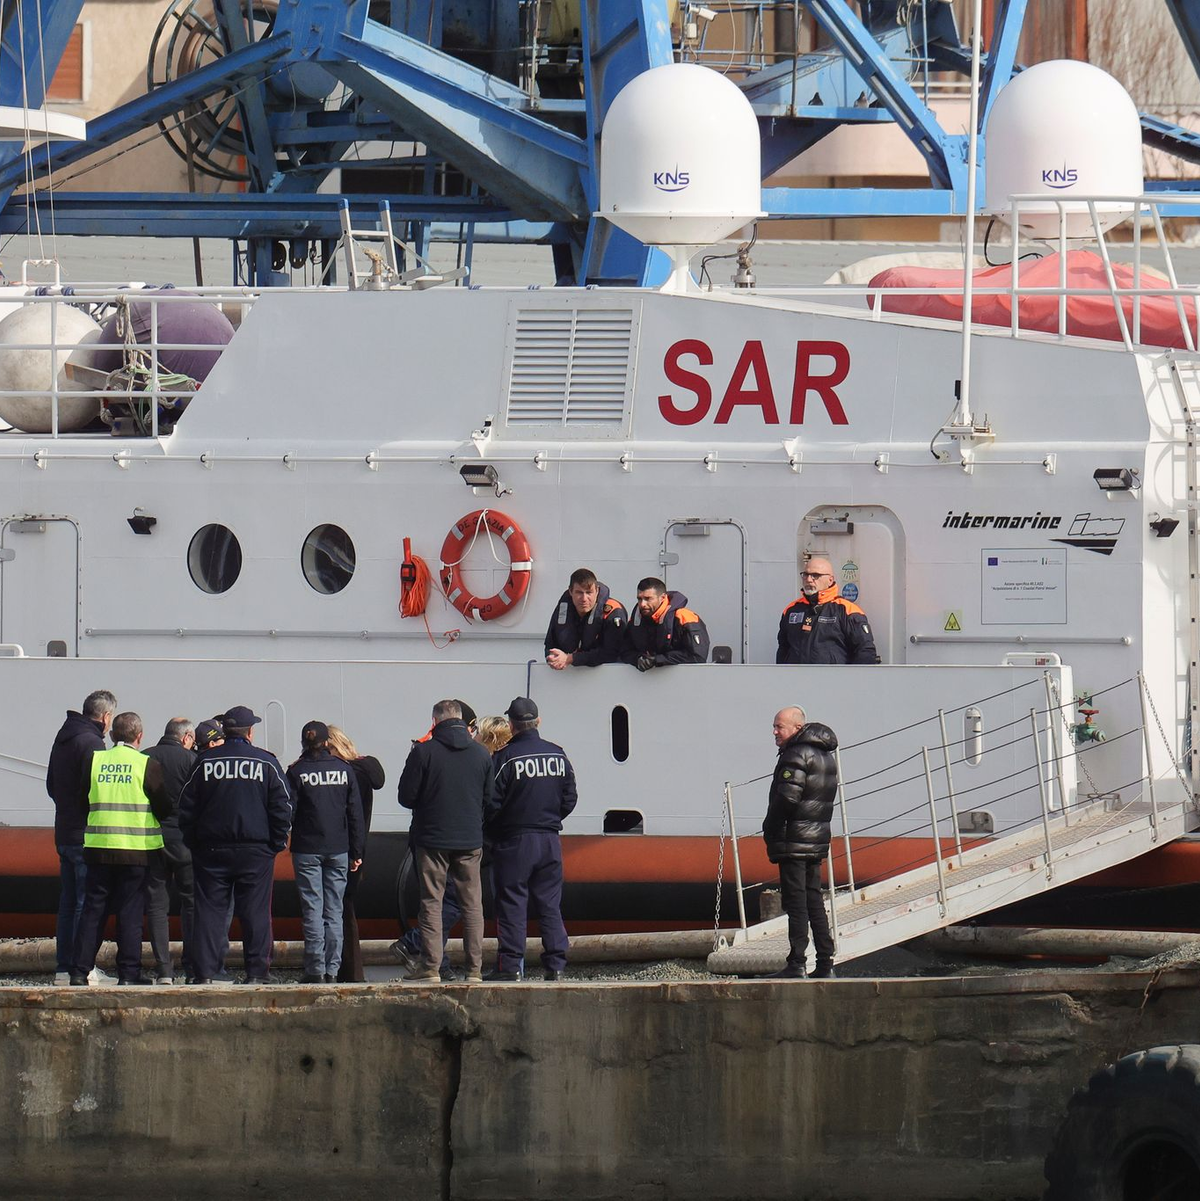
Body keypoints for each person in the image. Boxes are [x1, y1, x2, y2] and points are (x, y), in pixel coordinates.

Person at [178, 705, 292, 984]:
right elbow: (283, 805)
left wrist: (195, 842)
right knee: (256, 913)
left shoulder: (205, 762)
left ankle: (203, 973)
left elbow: (186, 807)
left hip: (211, 850)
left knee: (209, 913)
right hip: (255, 851)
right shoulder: (265, 762)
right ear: (250, 732)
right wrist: (275, 843)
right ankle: (257, 973)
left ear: (225, 731)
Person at [70, 711, 171, 986]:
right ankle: (128, 974)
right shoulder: (146, 764)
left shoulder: (95, 761)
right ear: (139, 736)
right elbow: (164, 807)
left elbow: (82, 801)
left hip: (98, 849)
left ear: (113, 735)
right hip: (135, 851)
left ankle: (79, 971)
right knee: (129, 912)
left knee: (93, 911)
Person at [397, 699, 493, 984]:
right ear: (463, 721)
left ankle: (431, 969)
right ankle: (474, 971)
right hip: (470, 840)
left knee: (431, 902)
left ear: (435, 721)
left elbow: (406, 797)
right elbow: (489, 799)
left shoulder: (423, 752)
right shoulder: (481, 754)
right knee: (472, 904)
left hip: (432, 839)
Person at [485, 698, 577, 982]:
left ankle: (510, 966)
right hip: (550, 839)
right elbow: (570, 798)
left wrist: (498, 829)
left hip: (515, 841)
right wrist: (549, 818)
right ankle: (557, 965)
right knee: (550, 903)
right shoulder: (558, 755)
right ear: (538, 721)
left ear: (511, 726)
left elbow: (490, 802)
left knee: (512, 901)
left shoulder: (505, 757)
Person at [47, 689, 117, 986]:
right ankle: (82, 968)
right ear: (105, 716)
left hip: (63, 830)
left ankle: (65, 967)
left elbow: (51, 785)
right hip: (84, 833)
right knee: (84, 903)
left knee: (68, 902)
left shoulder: (63, 739)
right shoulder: (92, 743)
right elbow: (96, 788)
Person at [762, 706, 838, 980]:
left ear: (796, 728)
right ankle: (826, 963)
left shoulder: (796, 754)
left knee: (796, 903)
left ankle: (796, 963)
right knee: (814, 900)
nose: (774, 732)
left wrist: (769, 826)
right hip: (815, 838)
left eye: (779, 726)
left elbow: (787, 798)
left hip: (794, 839)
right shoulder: (826, 756)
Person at [286, 721, 364, 983]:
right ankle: (332, 970)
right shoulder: (344, 770)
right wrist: (357, 851)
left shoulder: (297, 772)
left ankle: (315, 970)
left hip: (307, 849)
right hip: (338, 848)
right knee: (334, 911)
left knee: (313, 910)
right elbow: (354, 813)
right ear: (327, 742)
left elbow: (289, 813)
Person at [327, 726, 385, 983]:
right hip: (358, 849)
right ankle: (350, 970)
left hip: (341, 848)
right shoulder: (363, 771)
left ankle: (343, 970)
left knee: (338, 910)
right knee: (345, 908)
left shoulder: (342, 774)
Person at [143, 717, 197, 984]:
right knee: (191, 902)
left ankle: (164, 969)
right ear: (186, 737)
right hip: (185, 840)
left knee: (156, 905)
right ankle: (192, 967)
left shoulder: (145, 757)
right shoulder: (191, 760)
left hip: (151, 838)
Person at [777, 556, 878, 665]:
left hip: (834, 680)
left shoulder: (847, 610)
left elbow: (865, 651)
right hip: (797, 680)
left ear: (830, 580)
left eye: (815, 575)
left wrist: (853, 680)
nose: (809, 579)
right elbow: (783, 648)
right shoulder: (791, 610)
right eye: (805, 575)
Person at [545, 567, 628, 669]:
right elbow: (550, 644)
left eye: (589, 593)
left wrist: (571, 659)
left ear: (597, 591)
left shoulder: (613, 612)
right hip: (569, 677)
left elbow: (611, 653)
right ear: (570, 592)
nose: (584, 599)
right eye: (579, 593)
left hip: (610, 675)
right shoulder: (564, 609)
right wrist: (553, 658)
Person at [622, 577, 710, 669]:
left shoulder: (684, 618)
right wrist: (638, 659)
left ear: (663, 598)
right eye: (639, 599)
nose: (643, 604)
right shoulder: (636, 621)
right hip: (644, 680)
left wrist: (658, 660)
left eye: (648, 599)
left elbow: (697, 656)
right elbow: (624, 652)